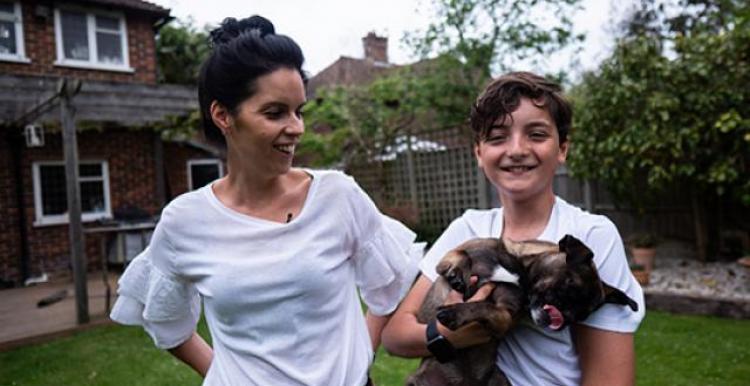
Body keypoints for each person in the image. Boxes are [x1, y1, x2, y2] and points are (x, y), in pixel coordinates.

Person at [110, 15, 419, 386]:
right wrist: (223, 374)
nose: (297, 127)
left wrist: (360, 357)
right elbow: (164, 319)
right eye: (275, 113)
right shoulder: (185, 221)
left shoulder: (338, 195)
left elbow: (388, 287)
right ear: (223, 115)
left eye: (299, 111)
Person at [381, 72, 645, 385]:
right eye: (497, 137)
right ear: (479, 153)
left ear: (562, 148)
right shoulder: (467, 228)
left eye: (536, 134)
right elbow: (395, 335)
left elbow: (608, 378)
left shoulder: (590, 235)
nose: (517, 149)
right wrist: (454, 334)